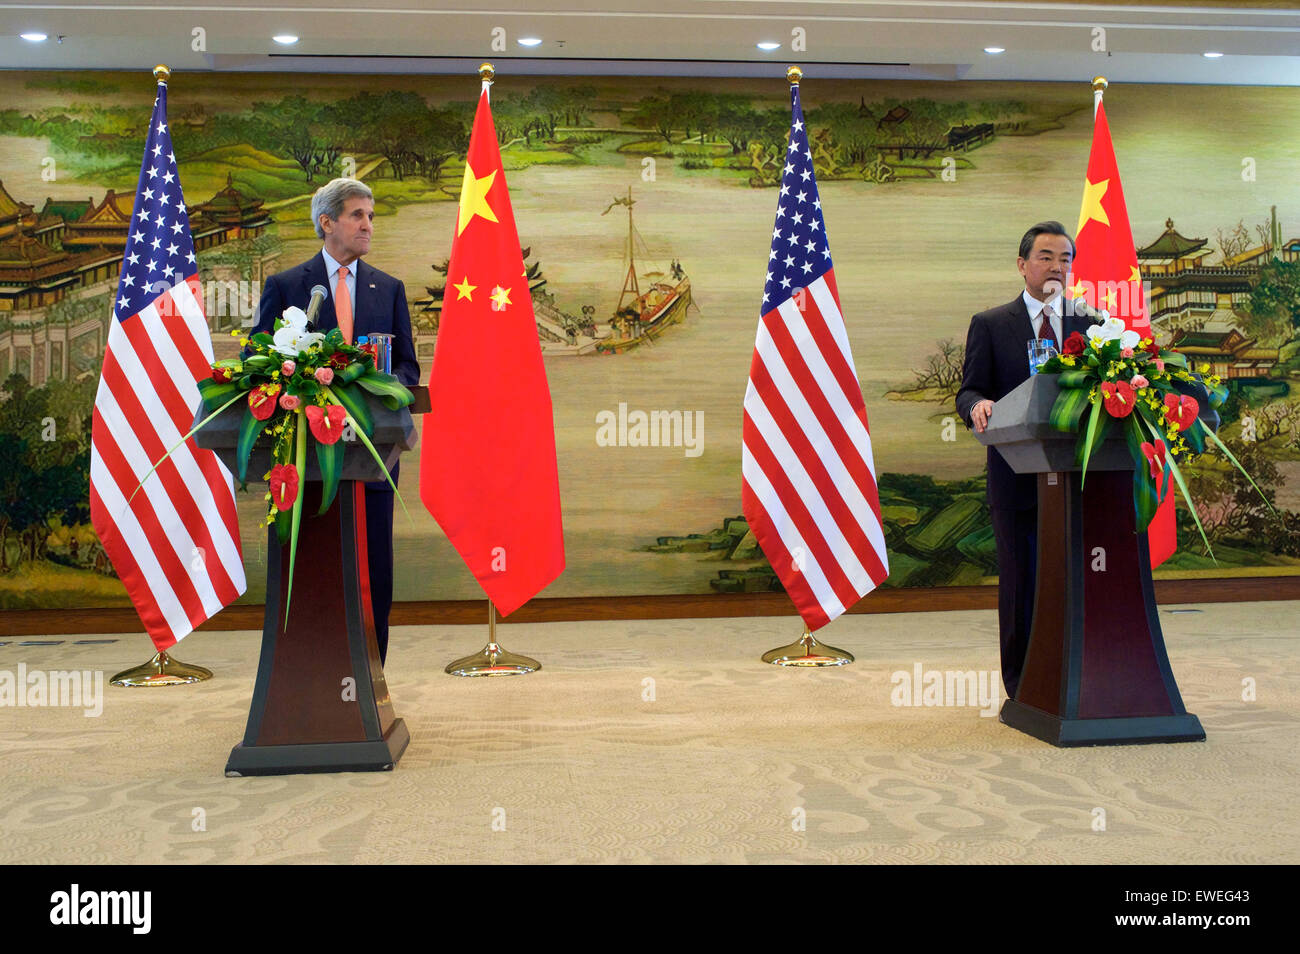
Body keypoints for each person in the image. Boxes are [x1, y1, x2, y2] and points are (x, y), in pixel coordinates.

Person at [252, 177, 419, 666]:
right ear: (326, 223)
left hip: (372, 452)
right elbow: (260, 357)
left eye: (371, 216)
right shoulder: (286, 286)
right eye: (357, 215)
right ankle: (309, 679)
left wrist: (378, 386)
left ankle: (372, 677)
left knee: (374, 568)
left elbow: (408, 367)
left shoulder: (388, 288)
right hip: (307, 458)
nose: (368, 225)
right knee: (313, 570)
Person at [955, 221, 1091, 699]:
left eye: (1066, 259)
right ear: (1022, 265)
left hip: (1076, 476)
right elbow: (970, 388)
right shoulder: (991, 324)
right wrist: (976, 406)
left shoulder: (1090, 324)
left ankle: (1073, 678)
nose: (1058, 266)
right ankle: (1022, 686)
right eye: (1047, 257)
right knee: (1020, 582)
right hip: (1015, 476)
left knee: (1074, 579)